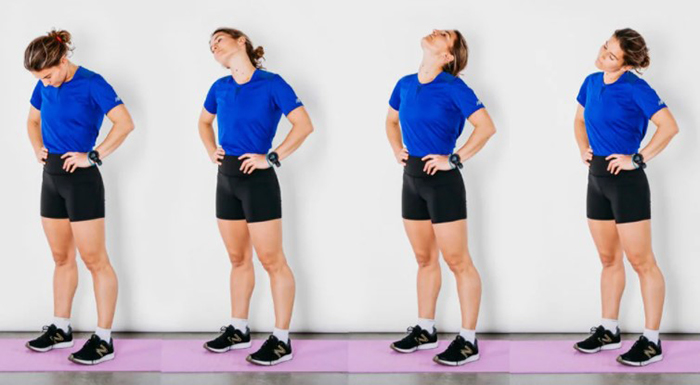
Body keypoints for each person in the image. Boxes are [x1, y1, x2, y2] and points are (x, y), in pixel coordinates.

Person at [199, 28, 314, 366]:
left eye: (220, 39)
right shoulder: (219, 87)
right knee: (237, 259)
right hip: (226, 178)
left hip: (258, 180)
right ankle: (239, 329)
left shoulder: (272, 83)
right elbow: (204, 123)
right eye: (211, 45)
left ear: (241, 42)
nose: (214, 46)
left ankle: (281, 339)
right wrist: (210, 150)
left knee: (272, 260)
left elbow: (304, 125)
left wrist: (272, 157)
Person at [23, 29, 135, 365]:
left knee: (95, 260)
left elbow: (125, 123)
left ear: (62, 60)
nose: (45, 83)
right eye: (39, 79)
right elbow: (32, 120)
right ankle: (61, 328)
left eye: (48, 75)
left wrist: (94, 155)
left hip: (81, 179)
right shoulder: (44, 84)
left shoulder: (92, 83)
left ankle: (103, 339)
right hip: (51, 176)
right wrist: (36, 147)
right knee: (60, 258)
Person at [386, 29, 496, 366]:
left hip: (442, 181)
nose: (435, 31)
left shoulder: (454, 88)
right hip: (412, 178)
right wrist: (396, 148)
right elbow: (391, 121)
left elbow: (486, 127)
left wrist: (455, 157)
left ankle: (467, 340)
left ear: (449, 55)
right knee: (424, 259)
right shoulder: (405, 83)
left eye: (444, 35)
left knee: (458, 261)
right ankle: (425, 329)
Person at [572, 28, 679, 367]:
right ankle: (609, 330)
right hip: (597, 178)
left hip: (627, 182)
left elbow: (669, 126)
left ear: (628, 63)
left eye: (613, 55)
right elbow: (578, 119)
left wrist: (638, 157)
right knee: (608, 259)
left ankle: (651, 341)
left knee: (642, 262)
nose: (604, 55)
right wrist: (583, 147)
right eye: (605, 47)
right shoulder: (591, 82)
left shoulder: (636, 88)